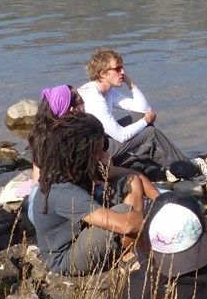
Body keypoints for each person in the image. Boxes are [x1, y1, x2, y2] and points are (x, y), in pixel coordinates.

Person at [30, 111, 147, 275]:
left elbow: (123, 175)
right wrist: (156, 218)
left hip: (80, 231)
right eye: (97, 152)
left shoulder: (70, 168)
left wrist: (136, 179)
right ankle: (135, 255)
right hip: (65, 258)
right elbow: (127, 224)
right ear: (80, 152)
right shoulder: (64, 191)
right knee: (124, 214)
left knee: (129, 182)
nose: (101, 157)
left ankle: (130, 250)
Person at [78, 48, 207, 181]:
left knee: (139, 117)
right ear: (103, 73)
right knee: (150, 133)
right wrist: (146, 121)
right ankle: (191, 172)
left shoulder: (107, 91)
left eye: (123, 68)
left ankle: (172, 166)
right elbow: (121, 136)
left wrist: (131, 84)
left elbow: (144, 109)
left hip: (102, 142)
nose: (122, 72)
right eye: (117, 69)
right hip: (93, 154)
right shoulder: (94, 99)